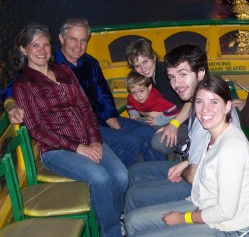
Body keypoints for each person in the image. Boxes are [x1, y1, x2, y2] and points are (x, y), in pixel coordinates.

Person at [11, 24, 128, 237]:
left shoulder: (64, 71)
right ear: (24, 50)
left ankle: (109, 217)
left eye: (45, 44)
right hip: (56, 150)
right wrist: (78, 147)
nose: (42, 50)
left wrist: (94, 140)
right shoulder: (24, 86)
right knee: (100, 177)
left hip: (87, 140)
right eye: (35, 45)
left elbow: (85, 108)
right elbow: (37, 129)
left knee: (121, 175)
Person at [125, 76, 249, 237]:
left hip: (227, 231)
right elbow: (210, 158)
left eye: (214, 102)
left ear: (228, 106)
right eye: (199, 102)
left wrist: (183, 218)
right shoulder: (213, 132)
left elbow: (225, 211)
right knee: (133, 221)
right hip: (203, 206)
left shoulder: (232, 149)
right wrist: (185, 162)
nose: (205, 110)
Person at [2, 18, 165, 168]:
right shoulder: (48, 64)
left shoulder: (90, 62)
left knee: (151, 133)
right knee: (131, 141)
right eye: (73, 39)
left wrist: (114, 122)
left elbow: (103, 96)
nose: (77, 46)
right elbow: (13, 88)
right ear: (61, 39)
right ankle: (128, 180)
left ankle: (158, 177)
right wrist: (11, 105)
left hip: (102, 120)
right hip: (79, 128)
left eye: (83, 41)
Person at [125, 44, 240, 212]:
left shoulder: (207, 112)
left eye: (183, 75)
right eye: (171, 77)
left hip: (204, 188)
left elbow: (196, 175)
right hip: (193, 165)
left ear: (200, 73)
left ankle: (145, 218)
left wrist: (185, 166)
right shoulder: (199, 98)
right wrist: (186, 162)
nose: (176, 84)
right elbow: (209, 153)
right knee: (135, 172)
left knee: (134, 196)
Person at [125, 39, 189, 155]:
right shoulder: (146, 78)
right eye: (137, 66)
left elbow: (191, 101)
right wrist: (146, 114)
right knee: (131, 129)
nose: (143, 69)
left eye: (145, 62)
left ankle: (186, 144)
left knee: (158, 142)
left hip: (184, 121)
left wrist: (173, 125)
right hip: (164, 116)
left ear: (153, 57)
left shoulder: (167, 73)